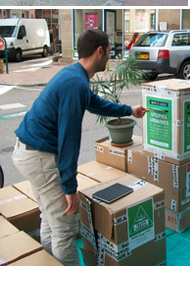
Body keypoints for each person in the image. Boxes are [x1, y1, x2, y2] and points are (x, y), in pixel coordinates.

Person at [12, 28, 147, 266]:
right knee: (65, 227)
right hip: (39, 157)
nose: (109, 57)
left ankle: (49, 267)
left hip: (27, 153)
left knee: (50, 217)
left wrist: (129, 110)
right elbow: (69, 141)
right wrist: (69, 187)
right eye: (108, 52)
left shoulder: (74, 76)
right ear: (99, 51)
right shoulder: (76, 84)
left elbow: (94, 103)